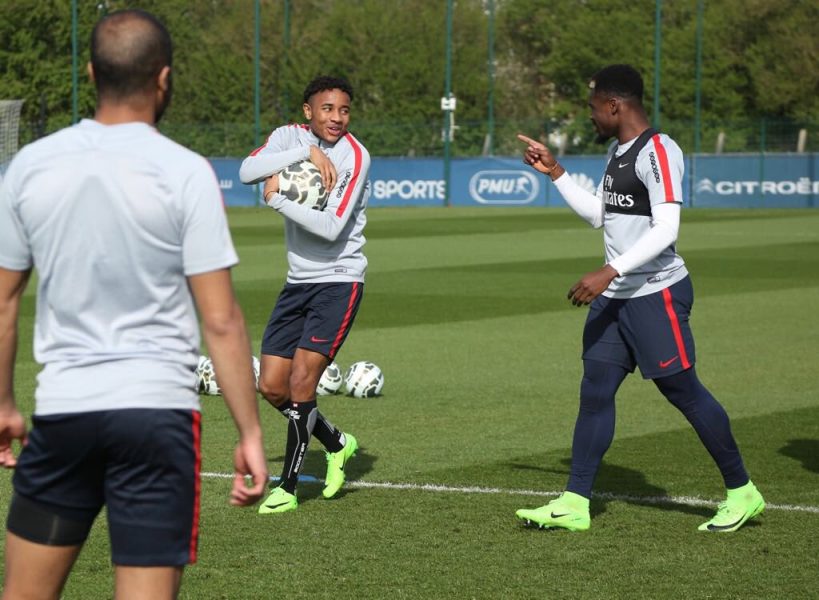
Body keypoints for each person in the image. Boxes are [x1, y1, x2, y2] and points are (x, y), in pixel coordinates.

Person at [0, 9, 268, 599]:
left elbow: (3, 303)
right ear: (164, 79)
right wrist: (249, 431)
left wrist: (2, 404)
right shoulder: (186, 172)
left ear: (92, 73)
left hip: (65, 417)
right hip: (157, 422)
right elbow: (220, 319)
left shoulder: (31, 165)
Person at [515, 64, 764, 533]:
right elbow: (601, 217)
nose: (589, 116)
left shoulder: (659, 151)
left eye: (593, 108)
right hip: (618, 298)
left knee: (683, 392)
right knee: (595, 392)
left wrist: (610, 269)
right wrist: (556, 173)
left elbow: (666, 228)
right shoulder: (617, 151)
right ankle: (575, 501)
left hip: (655, 294)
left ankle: (742, 491)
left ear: (615, 105)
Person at [239, 76, 370, 514]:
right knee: (272, 386)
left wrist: (277, 201)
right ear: (309, 110)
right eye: (328, 109)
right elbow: (245, 172)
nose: (337, 118)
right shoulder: (286, 137)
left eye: (344, 110)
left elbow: (333, 230)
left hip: (339, 279)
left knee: (300, 384)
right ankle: (336, 442)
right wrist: (304, 152)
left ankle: (288, 487)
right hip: (297, 281)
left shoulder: (356, 155)